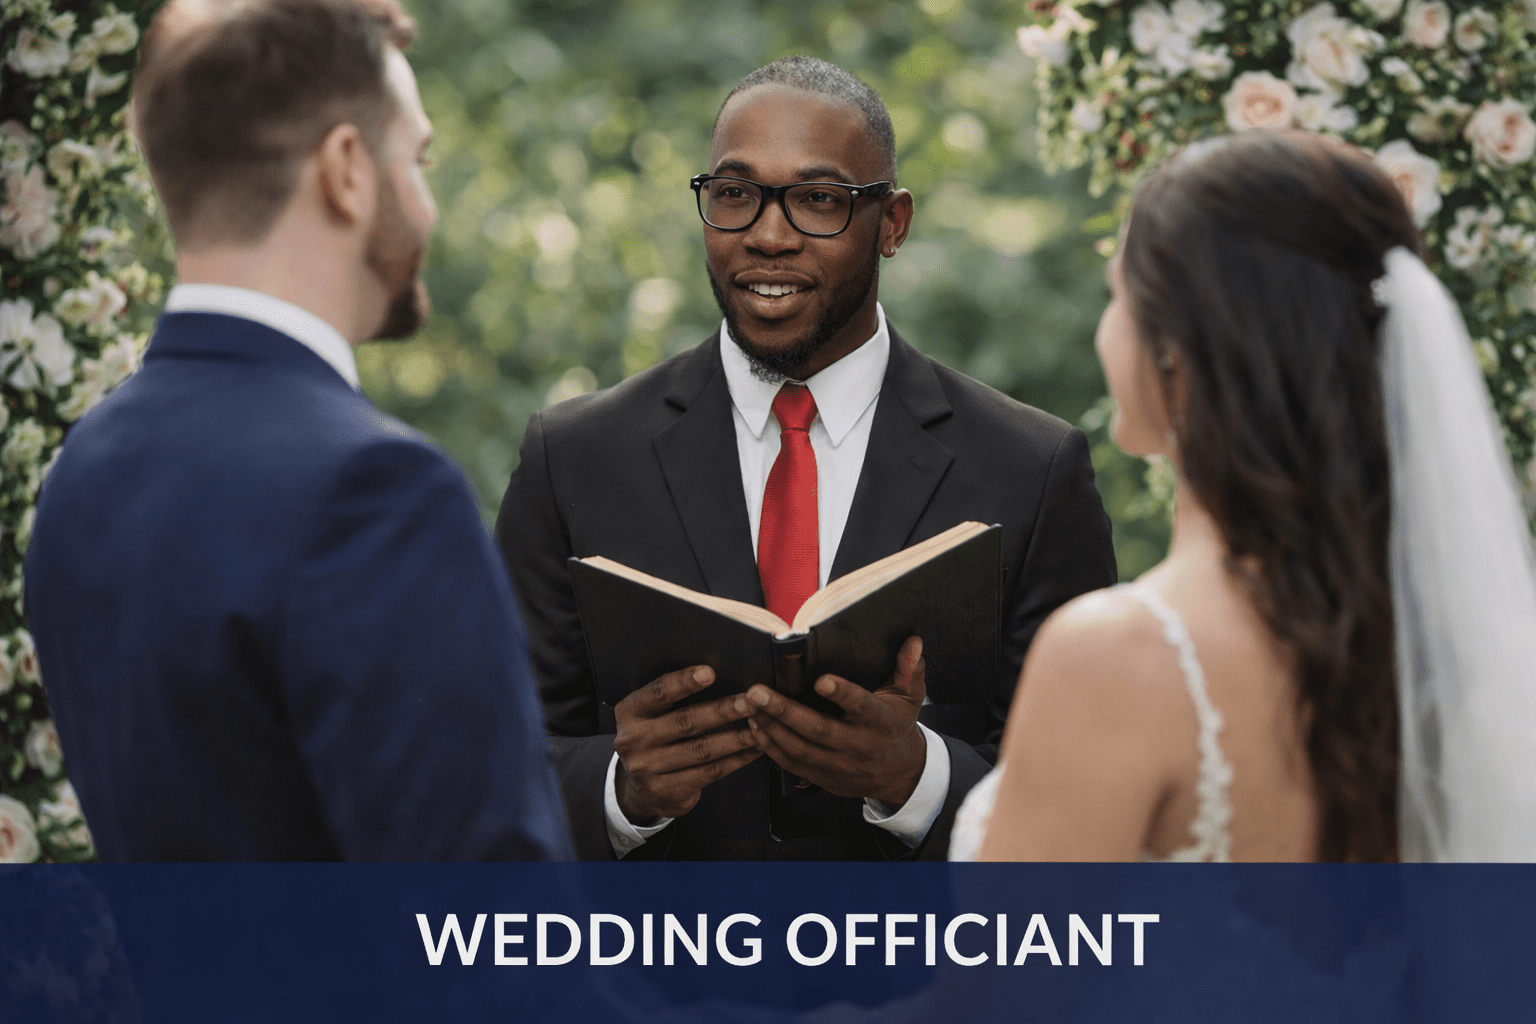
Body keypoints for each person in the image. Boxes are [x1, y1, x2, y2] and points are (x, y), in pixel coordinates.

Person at [496, 56, 1117, 862]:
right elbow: (486, 767)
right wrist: (621, 791)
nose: (768, 234)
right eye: (735, 193)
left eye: (819, 199)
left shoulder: (1033, 468)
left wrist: (916, 779)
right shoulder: (573, 458)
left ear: (892, 224)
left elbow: (1091, 801)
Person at [24, 0, 571, 861]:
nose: (426, 204)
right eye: (417, 159)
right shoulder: (375, 492)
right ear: (346, 168)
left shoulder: (84, 467)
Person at [951, 128, 1536, 862]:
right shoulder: (1440, 646)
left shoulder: (1120, 656)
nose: (1107, 329)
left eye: (1117, 296)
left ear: (1176, 352)